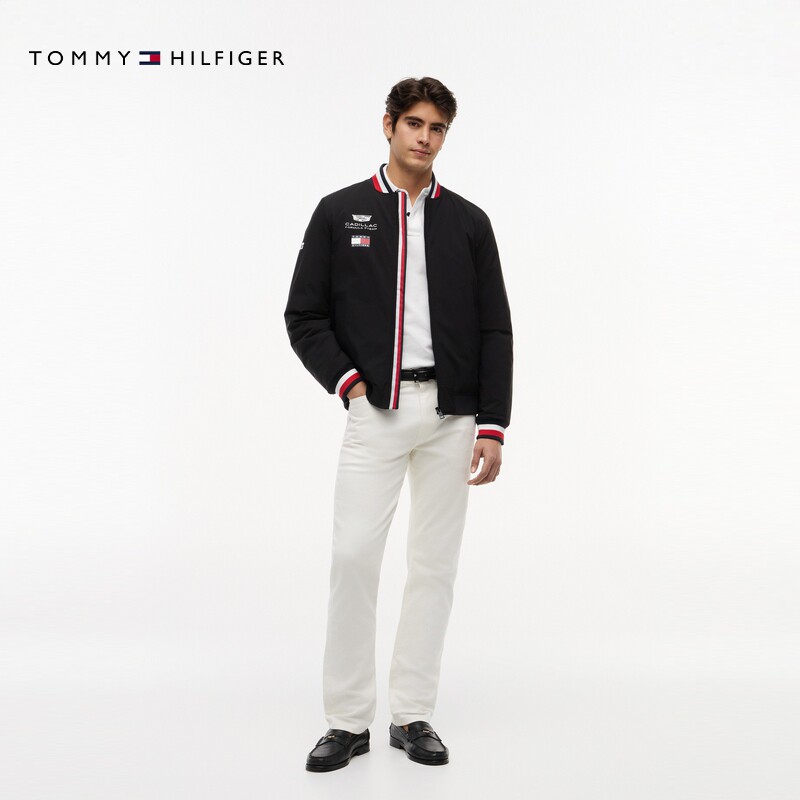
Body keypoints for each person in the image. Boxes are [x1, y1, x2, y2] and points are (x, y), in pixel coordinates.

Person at [284, 76, 513, 772]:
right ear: (388, 125)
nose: (425, 137)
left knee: (433, 566)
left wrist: (493, 425)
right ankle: (347, 721)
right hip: (375, 413)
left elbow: (495, 327)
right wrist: (350, 384)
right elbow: (304, 315)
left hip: (452, 416)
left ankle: (413, 715)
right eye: (414, 123)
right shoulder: (340, 212)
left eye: (437, 128)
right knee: (354, 557)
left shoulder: (468, 222)